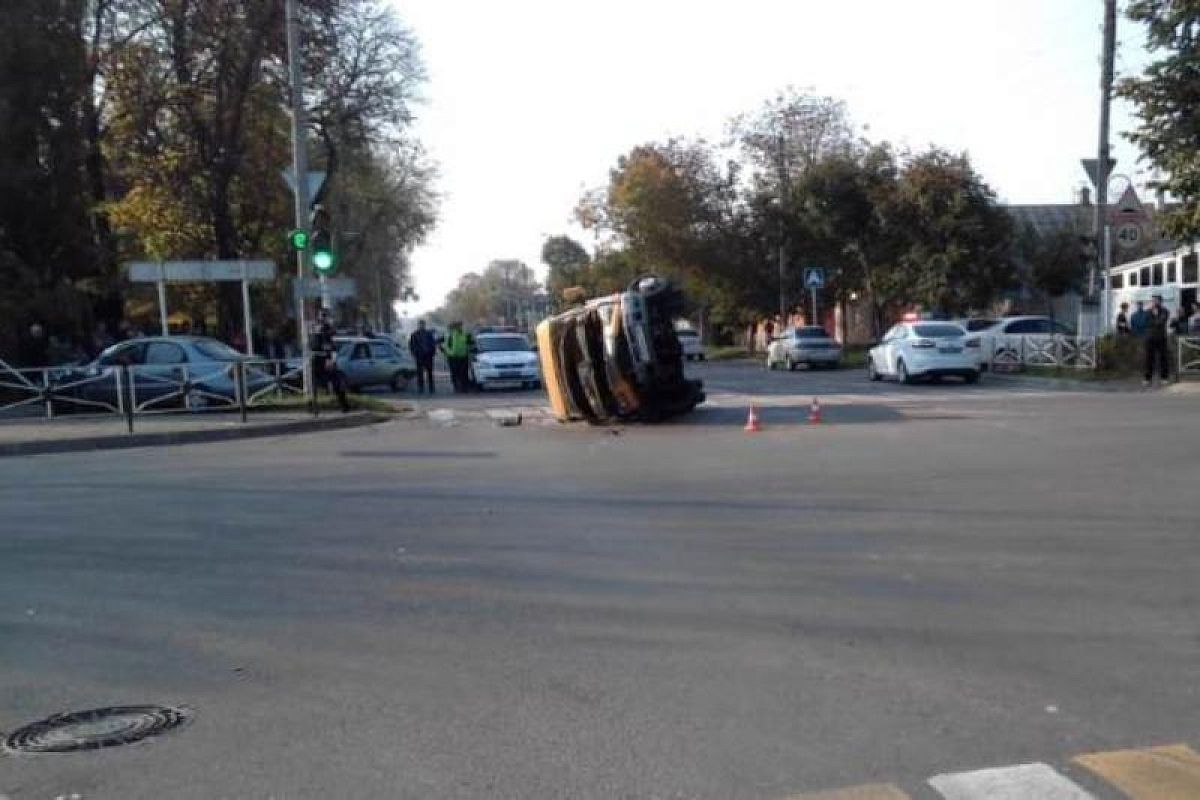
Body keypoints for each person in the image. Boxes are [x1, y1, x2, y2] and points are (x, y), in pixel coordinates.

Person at [310, 309, 350, 412]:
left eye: (324, 316)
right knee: (315, 384)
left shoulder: (324, 328)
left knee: (336, 382)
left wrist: (331, 358)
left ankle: (344, 405)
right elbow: (316, 344)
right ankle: (315, 406)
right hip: (318, 359)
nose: (323, 318)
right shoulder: (317, 328)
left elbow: (330, 343)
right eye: (322, 316)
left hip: (325, 358)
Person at [1143, 294, 1171, 387]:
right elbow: (1146, 322)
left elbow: (1161, 322)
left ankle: (1164, 378)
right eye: (1152, 300)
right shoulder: (1147, 312)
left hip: (1161, 338)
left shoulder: (1165, 311)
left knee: (1163, 358)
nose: (1153, 302)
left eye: (1155, 300)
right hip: (1150, 338)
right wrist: (1154, 320)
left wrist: (1155, 318)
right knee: (1149, 359)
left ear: (1160, 301)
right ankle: (1147, 378)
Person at [408, 320, 437, 394]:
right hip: (419, 356)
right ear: (418, 325)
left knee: (430, 372)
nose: (422, 326)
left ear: (425, 325)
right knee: (420, 373)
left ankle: (431, 387)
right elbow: (411, 345)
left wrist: (433, 352)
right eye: (420, 324)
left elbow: (433, 343)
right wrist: (415, 353)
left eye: (423, 324)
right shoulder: (414, 334)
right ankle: (421, 387)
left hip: (428, 356)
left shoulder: (428, 334)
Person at [441, 321, 471, 393]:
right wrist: (447, 352)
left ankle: (464, 387)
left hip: (463, 356)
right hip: (453, 357)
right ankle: (457, 387)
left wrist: (468, 350)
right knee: (455, 373)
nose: (460, 327)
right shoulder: (449, 335)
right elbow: (443, 345)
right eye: (459, 326)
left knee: (464, 373)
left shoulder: (466, 334)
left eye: (461, 326)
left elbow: (470, 343)